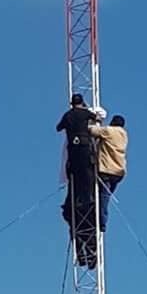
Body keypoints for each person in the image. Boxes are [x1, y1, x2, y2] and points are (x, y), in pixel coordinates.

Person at [57, 94, 99, 267]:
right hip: (84, 151)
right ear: (81, 103)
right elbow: (96, 117)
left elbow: (59, 128)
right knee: (88, 188)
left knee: (76, 188)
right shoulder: (85, 113)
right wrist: (88, 110)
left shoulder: (68, 115)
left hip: (73, 157)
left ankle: (83, 254)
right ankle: (90, 252)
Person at [90, 114, 128, 230]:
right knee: (105, 196)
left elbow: (92, 131)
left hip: (107, 169)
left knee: (103, 197)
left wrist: (95, 121)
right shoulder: (124, 135)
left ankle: (101, 222)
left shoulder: (109, 131)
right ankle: (100, 217)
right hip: (118, 171)